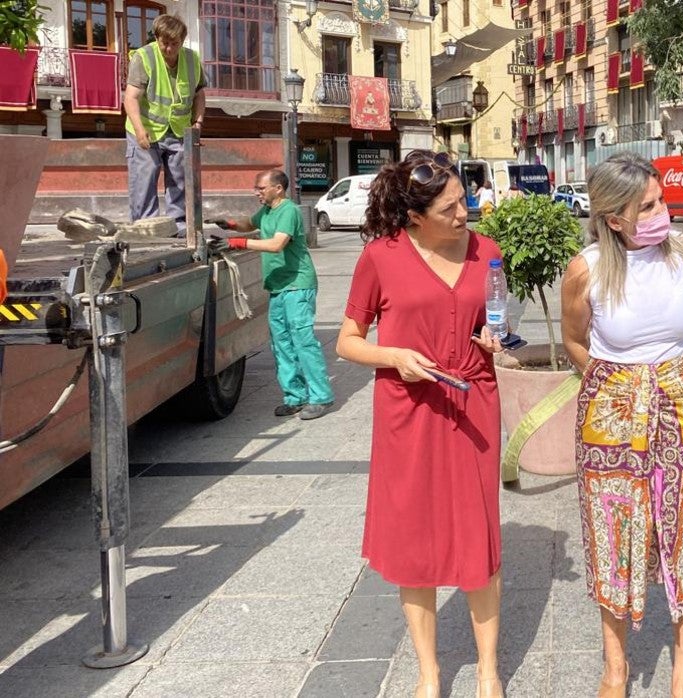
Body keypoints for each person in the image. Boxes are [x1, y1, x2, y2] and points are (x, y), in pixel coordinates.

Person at [334, 151, 507, 698]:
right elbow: (347, 341)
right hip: (408, 409)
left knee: (478, 535)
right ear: (415, 217)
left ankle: (487, 669)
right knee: (415, 540)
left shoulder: (488, 252)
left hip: (474, 398)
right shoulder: (381, 258)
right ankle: (429, 673)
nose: (466, 212)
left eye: (465, 198)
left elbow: (497, 319)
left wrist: (496, 340)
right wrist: (396, 358)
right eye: (452, 206)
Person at [560, 153, 683, 698]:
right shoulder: (585, 269)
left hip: (682, 410)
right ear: (613, 218)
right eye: (647, 206)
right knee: (612, 536)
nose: (661, 213)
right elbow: (576, 342)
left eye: (661, 201)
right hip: (610, 418)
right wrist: (615, 387)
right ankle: (615, 667)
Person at [209, 170, 334, 419]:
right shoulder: (266, 211)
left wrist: (238, 243)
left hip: (297, 285)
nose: (257, 192)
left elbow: (276, 244)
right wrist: (231, 225)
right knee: (281, 343)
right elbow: (250, 224)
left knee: (302, 340)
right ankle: (295, 396)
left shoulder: (288, 211)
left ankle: (321, 397)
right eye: (256, 188)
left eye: (261, 188)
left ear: (278, 188)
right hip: (277, 287)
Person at [123, 14, 205, 237]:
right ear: (157, 38)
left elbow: (199, 95)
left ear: (182, 41)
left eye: (174, 44)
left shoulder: (191, 60)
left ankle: (177, 226)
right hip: (146, 130)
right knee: (144, 179)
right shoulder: (144, 57)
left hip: (178, 131)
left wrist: (197, 122)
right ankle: (145, 227)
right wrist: (140, 130)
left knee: (180, 179)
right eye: (164, 43)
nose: (169, 48)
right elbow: (130, 98)